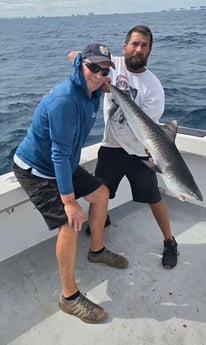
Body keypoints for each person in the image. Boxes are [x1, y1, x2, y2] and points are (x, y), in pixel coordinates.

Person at [13, 43, 129, 324]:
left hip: (63, 163)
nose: (98, 74)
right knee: (70, 222)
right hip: (37, 169)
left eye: (104, 70)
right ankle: (69, 297)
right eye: (93, 68)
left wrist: (96, 75)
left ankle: (97, 250)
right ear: (81, 67)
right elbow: (58, 155)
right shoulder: (65, 100)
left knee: (101, 194)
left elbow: (73, 55)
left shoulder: (91, 81)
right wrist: (68, 201)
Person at [68, 25, 179, 270]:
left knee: (154, 197)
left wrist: (114, 91)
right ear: (125, 47)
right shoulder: (110, 64)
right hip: (111, 147)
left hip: (139, 151)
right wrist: (98, 74)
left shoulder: (154, 87)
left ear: (150, 50)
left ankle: (170, 241)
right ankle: (101, 226)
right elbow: (73, 56)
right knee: (100, 196)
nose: (139, 49)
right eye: (135, 43)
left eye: (145, 45)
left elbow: (145, 130)